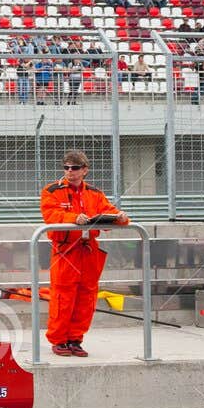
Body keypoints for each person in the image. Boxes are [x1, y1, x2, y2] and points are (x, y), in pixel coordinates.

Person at [39, 150, 128, 357]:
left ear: (85, 170)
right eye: (67, 167)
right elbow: (50, 214)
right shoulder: (52, 191)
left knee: (86, 297)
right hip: (65, 251)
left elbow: (109, 210)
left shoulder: (95, 194)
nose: (70, 171)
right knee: (63, 296)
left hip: (89, 251)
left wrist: (122, 217)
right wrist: (73, 218)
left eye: (75, 168)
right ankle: (59, 340)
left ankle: (75, 339)